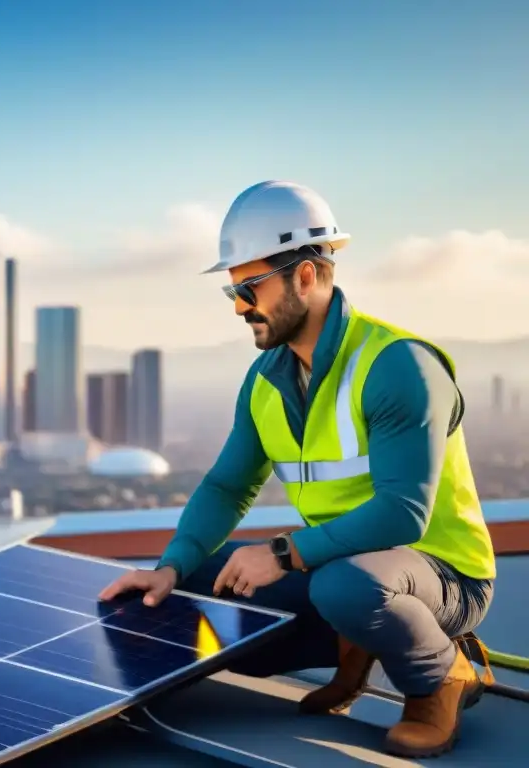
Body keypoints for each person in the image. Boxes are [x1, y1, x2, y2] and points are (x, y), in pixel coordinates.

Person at [98, 180, 497, 759]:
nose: (239, 306)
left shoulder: (395, 365)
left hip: (444, 575)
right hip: (341, 565)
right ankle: (350, 644)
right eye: (232, 291)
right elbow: (227, 485)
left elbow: (404, 513)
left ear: (306, 276)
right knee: (188, 596)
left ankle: (441, 676)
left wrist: (282, 555)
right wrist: (170, 566)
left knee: (345, 586)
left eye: (249, 287)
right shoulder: (265, 382)